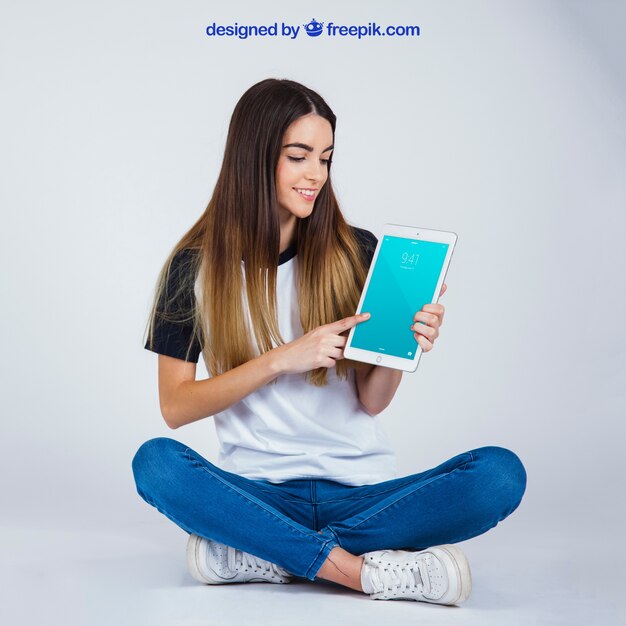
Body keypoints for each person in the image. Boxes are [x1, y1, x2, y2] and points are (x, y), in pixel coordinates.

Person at [132, 78, 527, 606]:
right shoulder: (195, 268)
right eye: (299, 157)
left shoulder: (357, 252)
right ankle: (360, 572)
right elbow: (175, 408)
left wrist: (401, 352)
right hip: (258, 493)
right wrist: (280, 360)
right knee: (155, 464)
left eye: (326, 158)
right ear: (254, 157)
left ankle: (266, 553)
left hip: (364, 496)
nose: (316, 175)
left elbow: (371, 399)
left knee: (499, 475)